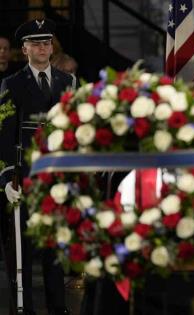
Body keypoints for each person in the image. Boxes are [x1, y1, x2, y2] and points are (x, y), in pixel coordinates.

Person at [0, 18, 76, 315]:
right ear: (25, 49)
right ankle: (24, 309)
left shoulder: (67, 82)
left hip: (57, 179)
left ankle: (58, 308)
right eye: (35, 43)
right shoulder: (12, 83)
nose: (42, 48)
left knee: (55, 250)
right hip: (25, 177)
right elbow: (5, 134)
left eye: (46, 42)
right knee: (23, 251)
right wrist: (6, 179)